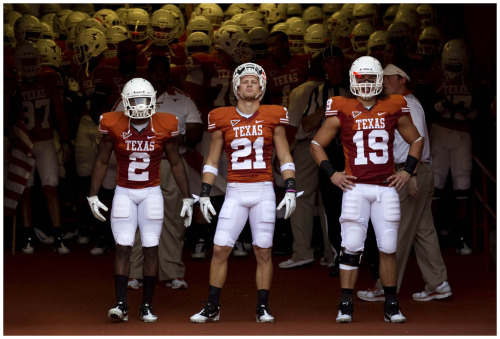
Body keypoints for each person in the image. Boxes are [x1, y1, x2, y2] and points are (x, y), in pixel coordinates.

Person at [310, 56, 423, 323]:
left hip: (385, 187)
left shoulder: (395, 105)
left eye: (371, 78)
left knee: (388, 246)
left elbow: (417, 140)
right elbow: (316, 144)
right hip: (356, 187)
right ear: (353, 79)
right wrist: (332, 174)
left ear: (380, 81)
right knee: (350, 246)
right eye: (362, 78)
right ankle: (346, 303)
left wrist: (407, 170)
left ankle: (391, 303)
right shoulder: (341, 107)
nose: (366, 83)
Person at [189, 62, 296, 323]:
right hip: (235, 191)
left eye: (254, 81)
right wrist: (204, 192)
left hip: (263, 190)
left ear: (261, 87)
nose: (249, 85)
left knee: (263, 250)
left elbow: (284, 157)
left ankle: (262, 307)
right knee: (219, 249)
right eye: (245, 81)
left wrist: (291, 188)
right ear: (236, 86)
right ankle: (213, 306)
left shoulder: (273, 115)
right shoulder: (221, 116)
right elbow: (212, 160)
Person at [87, 78, 193, 323]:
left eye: (144, 99)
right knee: (123, 247)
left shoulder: (165, 123)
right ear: (125, 102)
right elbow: (102, 160)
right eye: (134, 100)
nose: (140, 105)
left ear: (153, 100)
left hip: (151, 192)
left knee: (151, 248)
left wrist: (187, 196)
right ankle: (121, 304)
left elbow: (176, 162)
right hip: (124, 191)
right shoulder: (113, 123)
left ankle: (146, 304)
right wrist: (92, 193)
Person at [357, 64, 452, 302]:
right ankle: (438, 282)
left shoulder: (409, 104)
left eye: (389, 78)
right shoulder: (403, 103)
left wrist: (413, 173)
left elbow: (417, 142)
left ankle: (386, 286)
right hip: (414, 172)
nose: (384, 81)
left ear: (403, 80)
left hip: (410, 172)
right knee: (423, 231)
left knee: (396, 231)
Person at [125, 55, 203, 290]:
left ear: (169, 74)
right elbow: (113, 129)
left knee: (172, 219)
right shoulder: (129, 96)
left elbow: (196, 131)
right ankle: (134, 273)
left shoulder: (183, 99)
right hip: (140, 163)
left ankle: (171, 272)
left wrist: (181, 137)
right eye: (155, 72)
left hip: (171, 163)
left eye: (163, 72)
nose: (159, 77)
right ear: (148, 74)